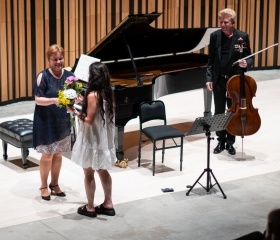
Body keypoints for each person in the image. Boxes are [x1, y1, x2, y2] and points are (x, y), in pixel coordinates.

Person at [67, 62, 116, 218]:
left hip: (92, 139)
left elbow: (88, 120)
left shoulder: (93, 94)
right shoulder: (107, 92)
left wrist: (74, 111)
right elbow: (97, 110)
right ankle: (108, 204)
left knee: (88, 172)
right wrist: (83, 102)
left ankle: (90, 207)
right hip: (102, 138)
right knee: (103, 170)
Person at [206, 8, 254, 155]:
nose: (222, 24)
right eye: (221, 21)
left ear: (233, 23)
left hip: (235, 81)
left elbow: (249, 57)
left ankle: (230, 142)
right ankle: (220, 141)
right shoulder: (215, 36)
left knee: (233, 111)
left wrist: (247, 63)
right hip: (219, 80)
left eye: (226, 22)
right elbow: (211, 60)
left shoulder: (242, 37)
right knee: (219, 111)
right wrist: (209, 78)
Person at [33, 44, 74, 201]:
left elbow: (73, 98)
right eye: (54, 59)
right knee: (47, 155)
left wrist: (75, 102)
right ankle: (44, 186)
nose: (58, 62)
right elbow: (38, 100)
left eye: (60, 58)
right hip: (46, 121)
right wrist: (55, 100)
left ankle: (54, 184)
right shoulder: (43, 76)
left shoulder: (70, 76)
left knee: (58, 154)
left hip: (62, 120)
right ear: (48, 59)